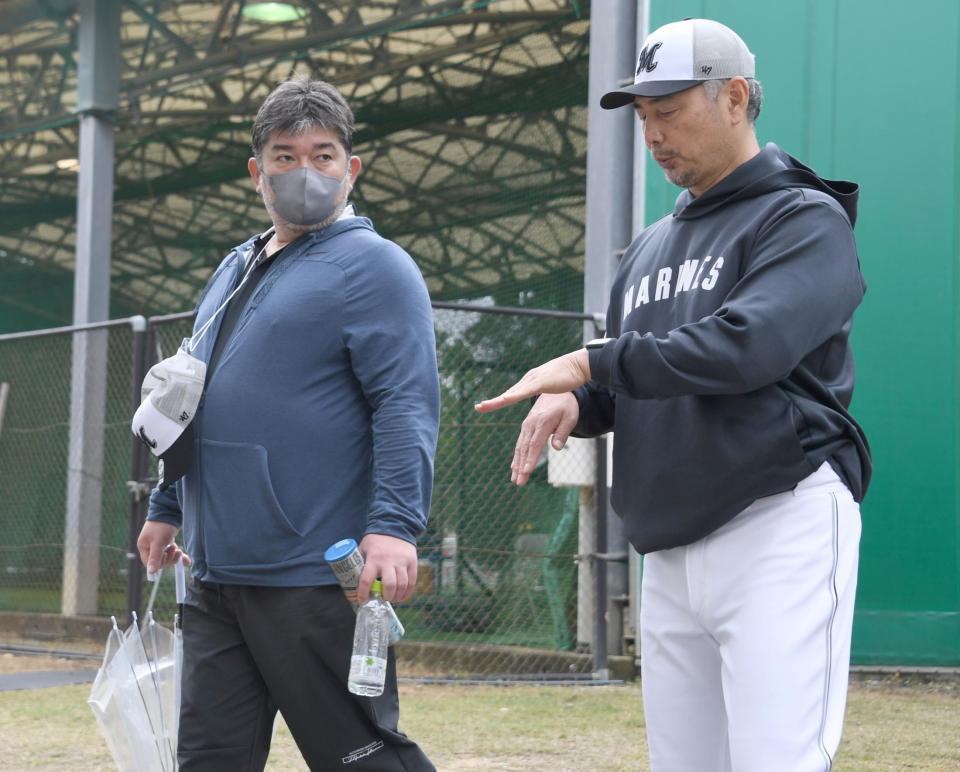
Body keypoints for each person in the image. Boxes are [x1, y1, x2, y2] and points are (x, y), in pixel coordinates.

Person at [476, 18, 870, 772]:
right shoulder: (652, 246)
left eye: (671, 110)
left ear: (735, 99)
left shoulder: (802, 218)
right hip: (670, 543)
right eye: (644, 116)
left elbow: (747, 348)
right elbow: (640, 381)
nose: (653, 134)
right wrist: (582, 404)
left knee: (775, 762)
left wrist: (592, 366)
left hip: (775, 521)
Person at [135, 77, 440, 771]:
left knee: (360, 756)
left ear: (350, 168)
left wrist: (394, 525)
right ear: (257, 173)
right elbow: (194, 393)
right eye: (285, 155)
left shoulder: (376, 268)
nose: (305, 171)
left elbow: (407, 402)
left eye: (323, 155)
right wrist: (167, 504)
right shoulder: (236, 266)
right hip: (215, 575)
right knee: (210, 759)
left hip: (311, 574)